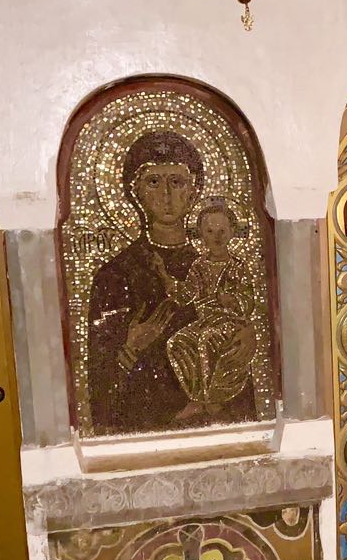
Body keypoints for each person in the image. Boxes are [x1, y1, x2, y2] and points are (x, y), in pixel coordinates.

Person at [86, 131, 255, 433]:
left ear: (193, 191)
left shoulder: (214, 263)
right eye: (153, 181)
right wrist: (129, 347)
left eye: (177, 182)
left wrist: (246, 335)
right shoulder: (115, 274)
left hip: (217, 429)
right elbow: (100, 379)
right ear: (135, 191)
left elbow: (236, 312)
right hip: (145, 426)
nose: (166, 195)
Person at [165, 202, 259, 423]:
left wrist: (232, 301)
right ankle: (197, 397)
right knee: (177, 342)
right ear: (201, 234)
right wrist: (170, 284)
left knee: (206, 341)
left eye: (222, 231)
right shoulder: (199, 266)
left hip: (230, 323)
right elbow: (187, 294)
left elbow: (248, 301)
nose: (216, 237)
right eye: (210, 231)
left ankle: (212, 400)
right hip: (205, 321)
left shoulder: (237, 267)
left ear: (232, 233)